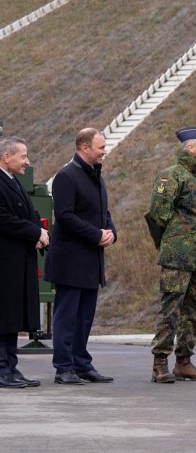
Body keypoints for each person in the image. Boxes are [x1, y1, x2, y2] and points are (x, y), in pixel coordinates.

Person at [45, 128, 116, 384]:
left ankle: (81, 364)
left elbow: (103, 212)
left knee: (85, 316)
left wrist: (110, 233)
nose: (104, 151)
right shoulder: (67, 176)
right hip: (70, 260)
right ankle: (63, 367)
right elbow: (64, 215)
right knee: (67, 315)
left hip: (90, 260)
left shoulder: (96, 176)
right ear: (84, 148)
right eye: (100, 147)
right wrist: (95, 234)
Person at [145, 126, 196, 383]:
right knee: (170, 309)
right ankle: (160, 362)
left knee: (193, 311)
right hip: (178, 257)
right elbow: (156, 215)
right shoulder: (171, 176)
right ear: (190, 148)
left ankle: (184, 361)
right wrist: (170, 244)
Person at [0, 137, 48, 388]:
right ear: (6, 157)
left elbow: (27, 214)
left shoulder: (12, 181)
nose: (27, 162)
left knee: (12, 316)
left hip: (18, 261)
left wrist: (39, 234)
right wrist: (34, 232)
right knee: (4, 315)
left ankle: (10, 366)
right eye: (23, 156)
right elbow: (3, 218)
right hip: (5, 263)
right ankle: (2, 369)